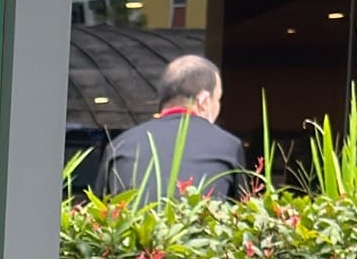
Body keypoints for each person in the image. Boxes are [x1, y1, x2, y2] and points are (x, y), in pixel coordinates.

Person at [101, 51, 248, 197]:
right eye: (218, 99)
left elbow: (98, 212)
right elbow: (241, 212)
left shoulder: (119, 145)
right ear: (204, 101)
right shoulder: (228, 146)